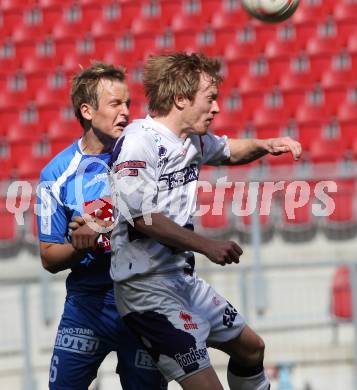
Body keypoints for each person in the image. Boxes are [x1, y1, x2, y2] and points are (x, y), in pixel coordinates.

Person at [108, 52, 302, 390]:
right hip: (147, 291)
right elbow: (142, 218)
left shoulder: (191, 139)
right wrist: (207, 246)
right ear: (180, 99)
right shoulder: (140, 143)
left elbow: (229, 151)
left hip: (183, 282)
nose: (216, 108)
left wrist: (266, 145)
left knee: (252, 349)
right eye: (210, 99)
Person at [37, 62, 167, 390]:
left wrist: (99, 224)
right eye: (115, 104)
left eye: (128, 103)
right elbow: (50, 257)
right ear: (87, 111)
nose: (125, 112)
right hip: (87, 305)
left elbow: (157, 211)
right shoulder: (56, 175)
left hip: (142, 298)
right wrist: (81, 244)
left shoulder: (145, 154)